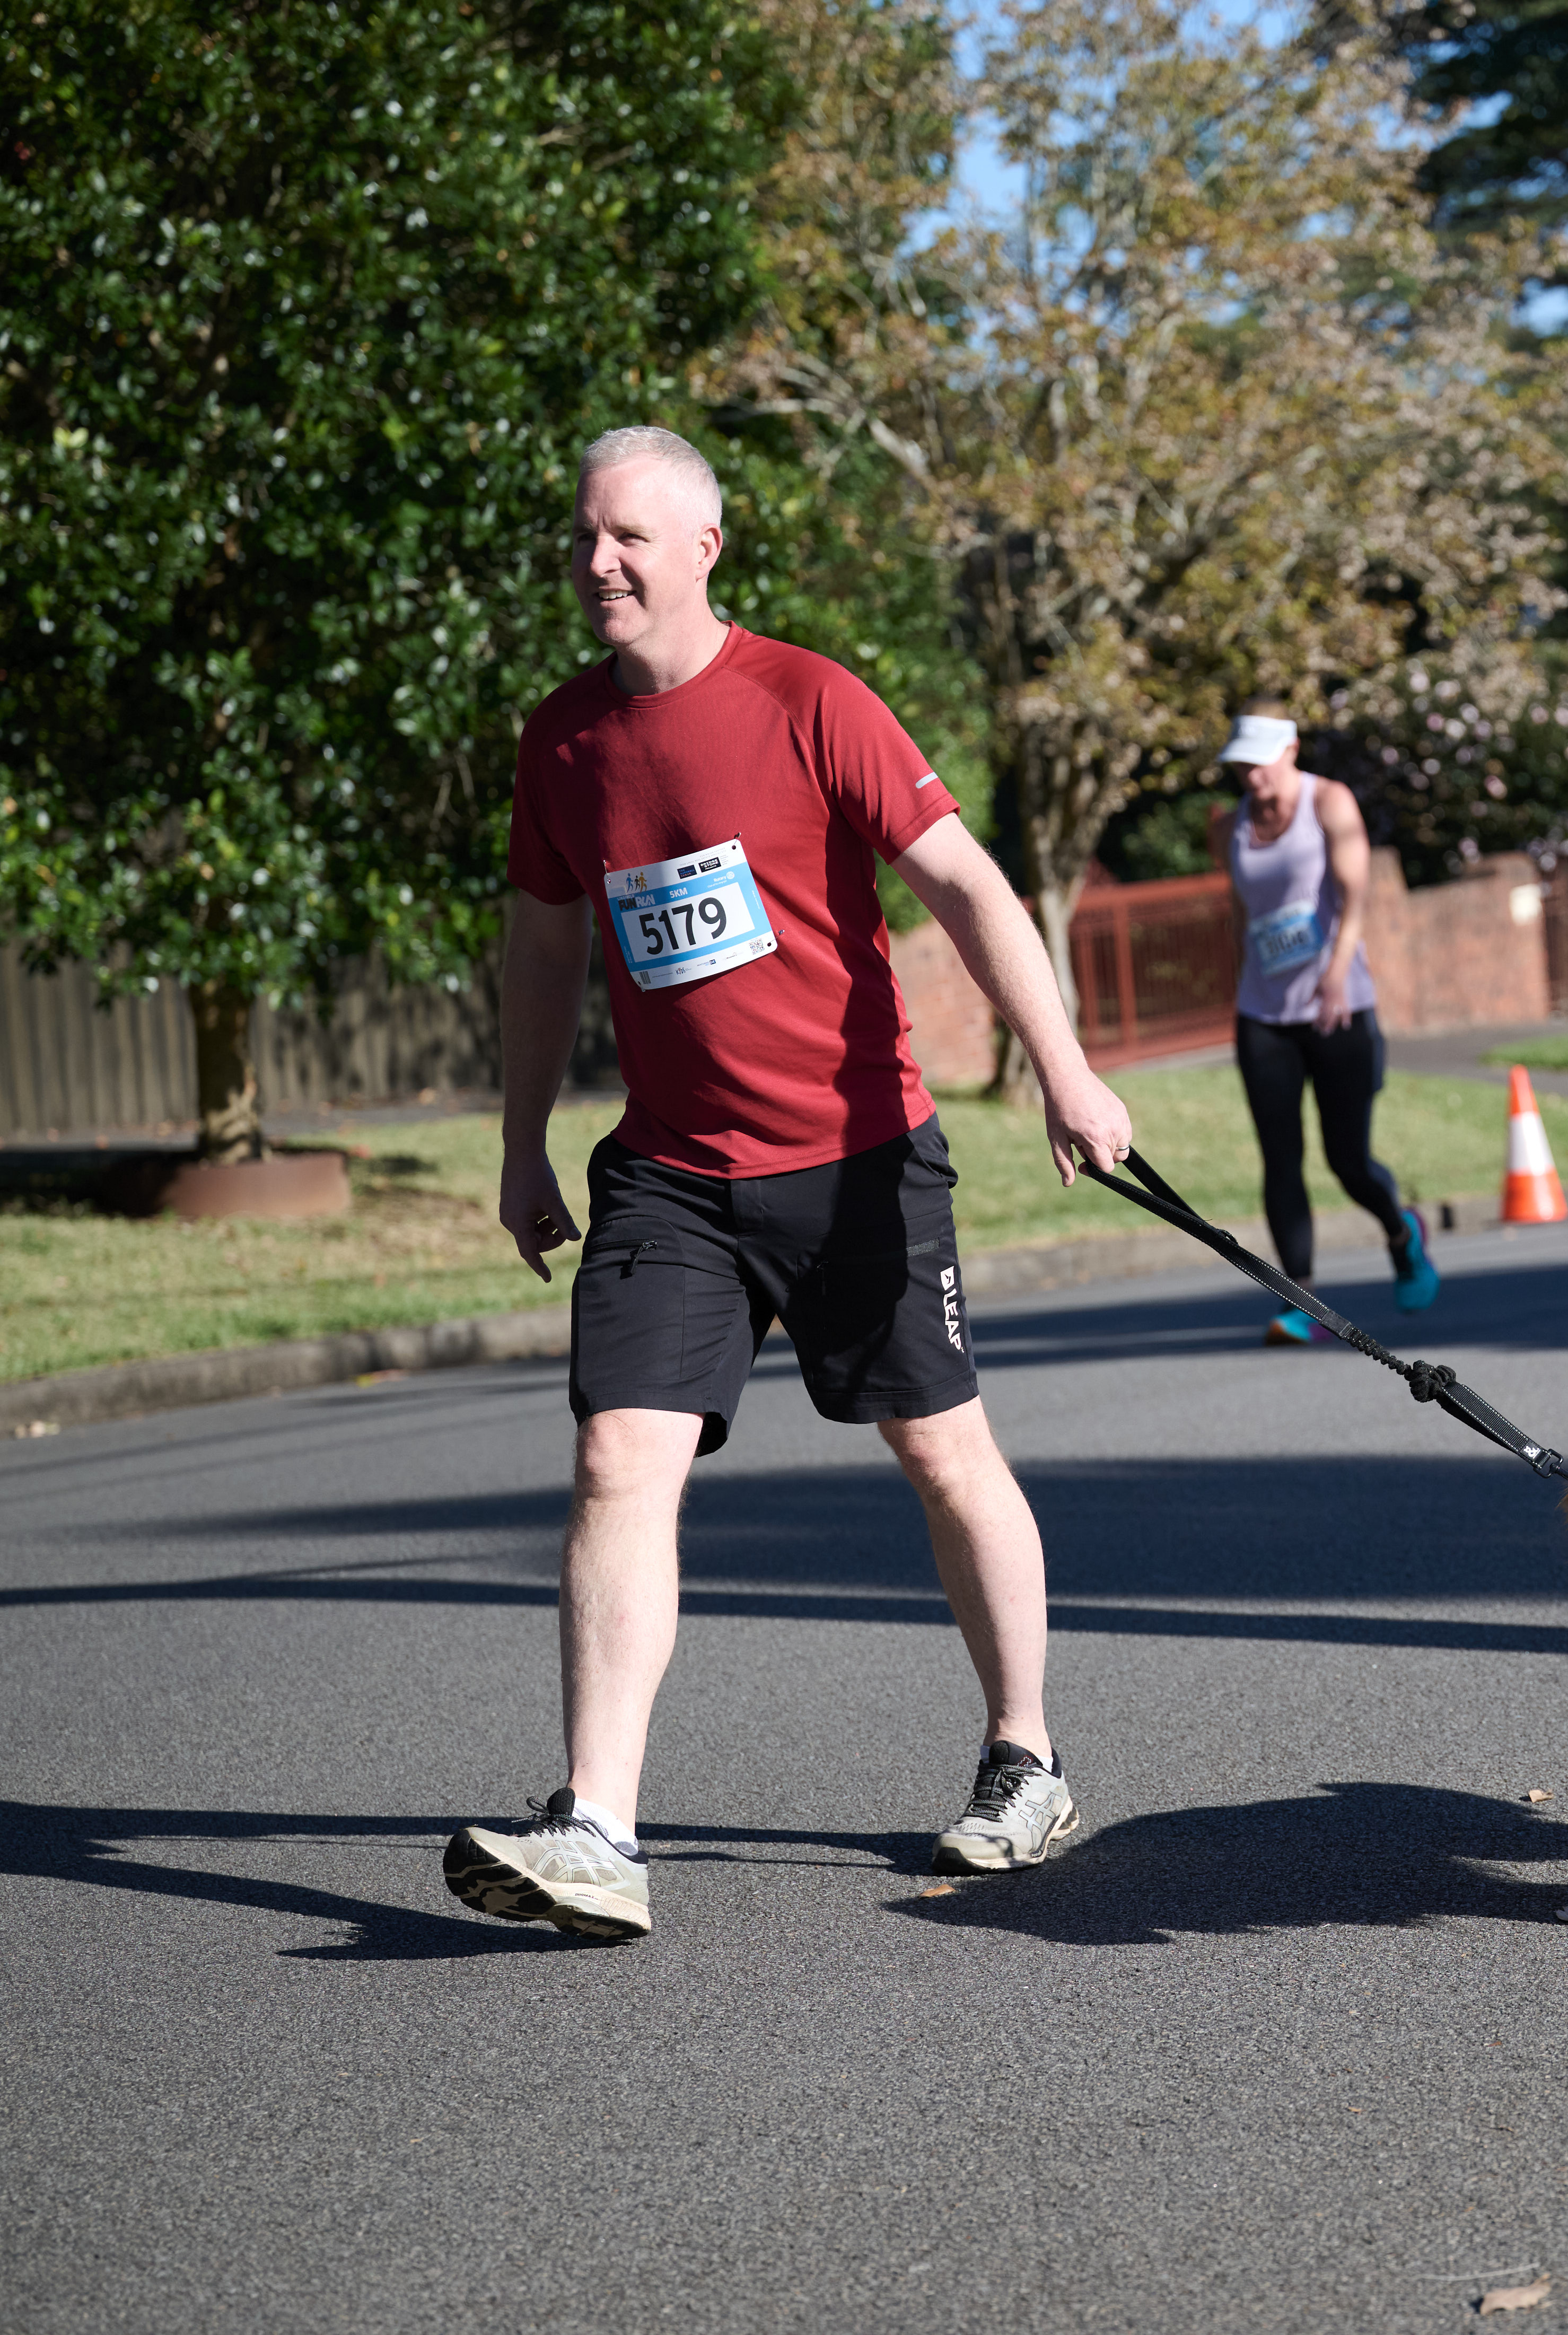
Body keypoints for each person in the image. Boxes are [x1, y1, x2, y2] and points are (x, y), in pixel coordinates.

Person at [456, 425, 1134, 1939]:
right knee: (617, 1460)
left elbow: (964, 881)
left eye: (628, 536)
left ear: (704, 547)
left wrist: (1063, 1065)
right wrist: (519, 1142)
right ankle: (598, 1829)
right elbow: (543, 948)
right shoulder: (562, 741)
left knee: (942, 1457)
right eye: (581, 536)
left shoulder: (808, 697)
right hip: (672, 1180)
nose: (597, 563)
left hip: (856, 1166)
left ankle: (1024, 1754)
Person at [1215, 698, 1439, 1345]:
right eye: (1241, 765)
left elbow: (1353, 895)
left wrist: (1338, 970)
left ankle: (1402, 1232)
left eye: (1260, 763)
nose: (1251, 777)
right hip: (1263, 1013)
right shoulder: (1232, 824)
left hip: (1337, 1006)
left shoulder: (1328, 802)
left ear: (1289, 750)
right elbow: (1240, 910)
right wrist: (1241, 983)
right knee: (1279, 1158)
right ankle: (1298, 1301)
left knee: (1347, 1159)